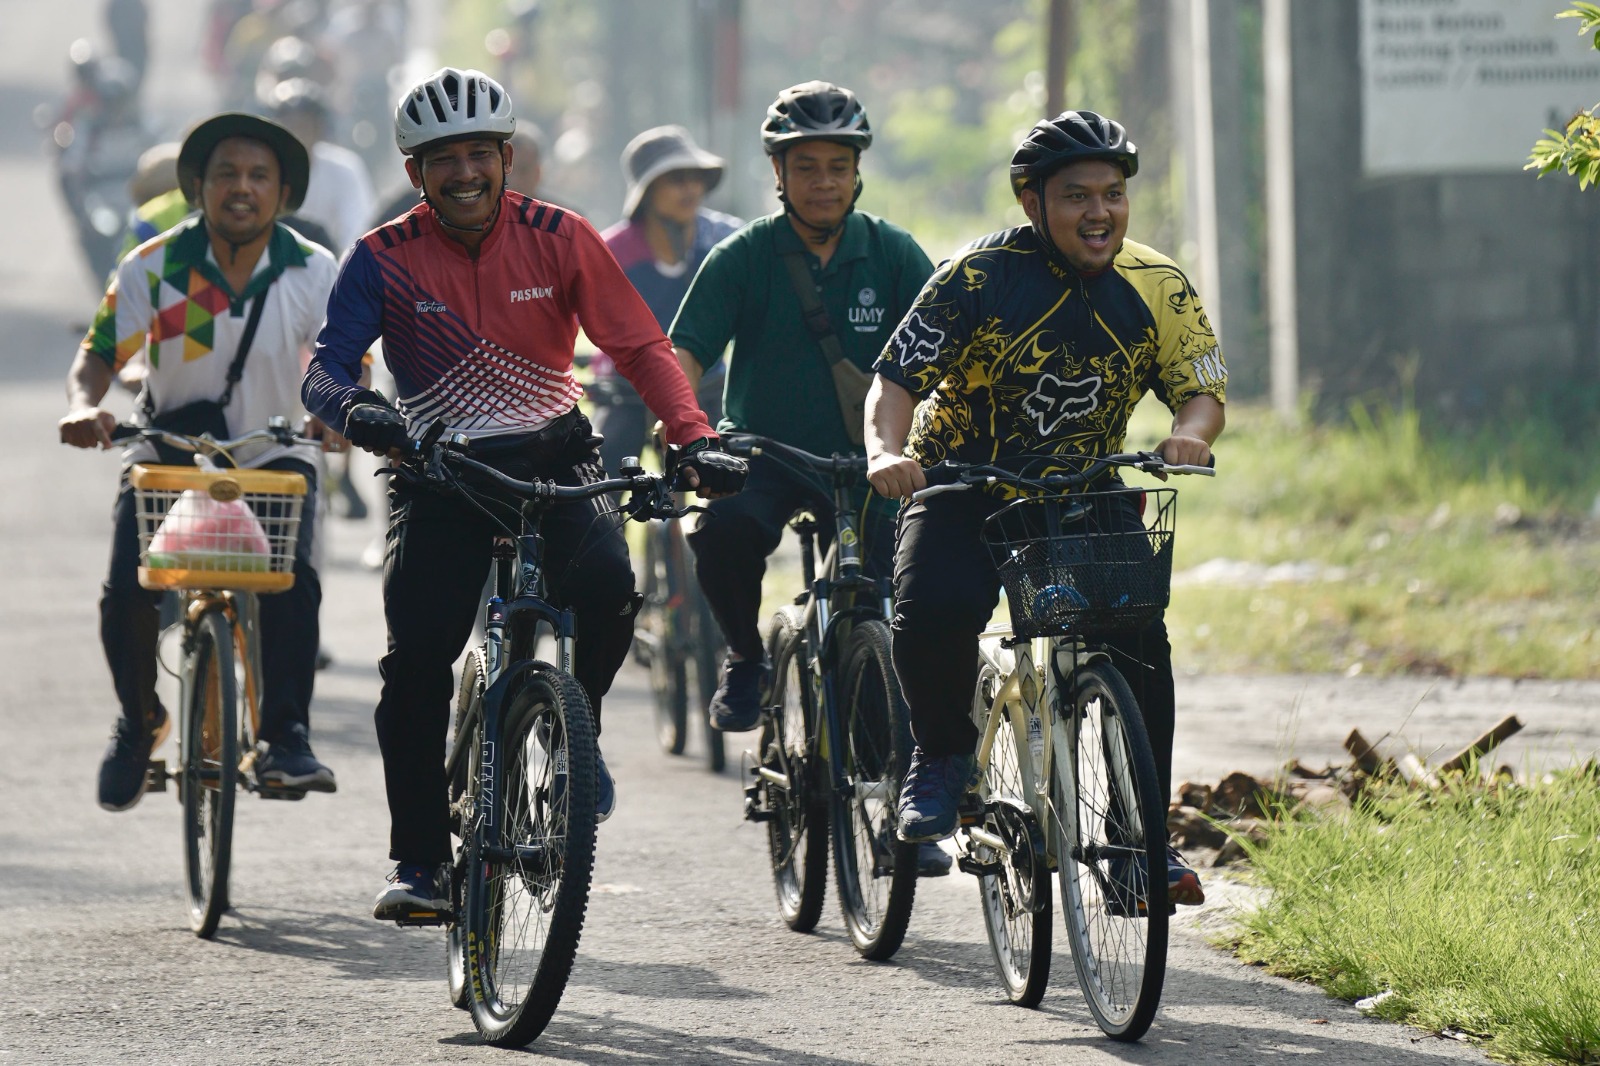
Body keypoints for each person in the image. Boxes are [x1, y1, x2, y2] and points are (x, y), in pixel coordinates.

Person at [301, 68, 746, 921]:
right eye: (443, 159)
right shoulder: (382, 256)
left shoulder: (560, 235)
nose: (464, 172)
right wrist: (359, 410)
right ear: (414, 172)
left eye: (480, 153)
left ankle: (576, 732)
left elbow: (641, 347)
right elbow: (326, 367)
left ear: (507, 159)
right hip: (439, 473)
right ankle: (420, 863)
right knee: (417, 663)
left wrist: (693, 436)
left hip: (554, 459)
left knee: (611, 592)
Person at [865, 110, 1227, 907]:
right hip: (964, 484)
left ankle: (1140, 843)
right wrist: (887, 453)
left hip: (1084, 487)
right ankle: (942, 757)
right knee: (931, 612)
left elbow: (1200, 389)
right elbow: (895, 382)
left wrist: (1189, 434)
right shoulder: (975, 275)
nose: (1100, 212)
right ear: (1033, 203)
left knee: (1140, 646)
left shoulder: (1157, 284)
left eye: (1113, 194)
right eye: (1076, 197)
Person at [670, 81, 950, 876]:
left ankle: (898, 812)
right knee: (722, 530)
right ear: (779, 173)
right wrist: (684, 424)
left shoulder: (893, 254)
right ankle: (745, 657)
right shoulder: (744, 256)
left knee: (887, 618)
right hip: (765, 454)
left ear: (857, 173)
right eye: (806, 167)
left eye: (837, 166)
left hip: (874, 464)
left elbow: (951, 347)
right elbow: (684, 353)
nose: (823, 181)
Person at [61, 111, 342, 812]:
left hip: (274, 452)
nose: (242, 188)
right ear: (199, 187)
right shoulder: (153, 264)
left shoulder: (313, 268)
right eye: (226, 174)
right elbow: (99, 355)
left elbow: (343, 359)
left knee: (293, 586)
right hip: (171, 452)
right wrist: (82, 406)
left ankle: (285, 737)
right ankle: (139, 721)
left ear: (283, 192)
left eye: (259, 176)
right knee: (127, 593)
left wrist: (336, 409)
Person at [592, 124, 742, 475]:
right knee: (600, 469)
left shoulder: (727, 240)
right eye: (675, 179)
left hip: (708, 383)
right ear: (646, 192)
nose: (690, 189)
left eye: (696, 178)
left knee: (737, 469)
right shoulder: (610, 251)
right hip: (627, 389)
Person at [266, 78, 376, 256]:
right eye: (288, 126)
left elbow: (357, 228)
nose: (296, 134)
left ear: (319, 128)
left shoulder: (345, 169)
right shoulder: (260, 172)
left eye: (303, 126)